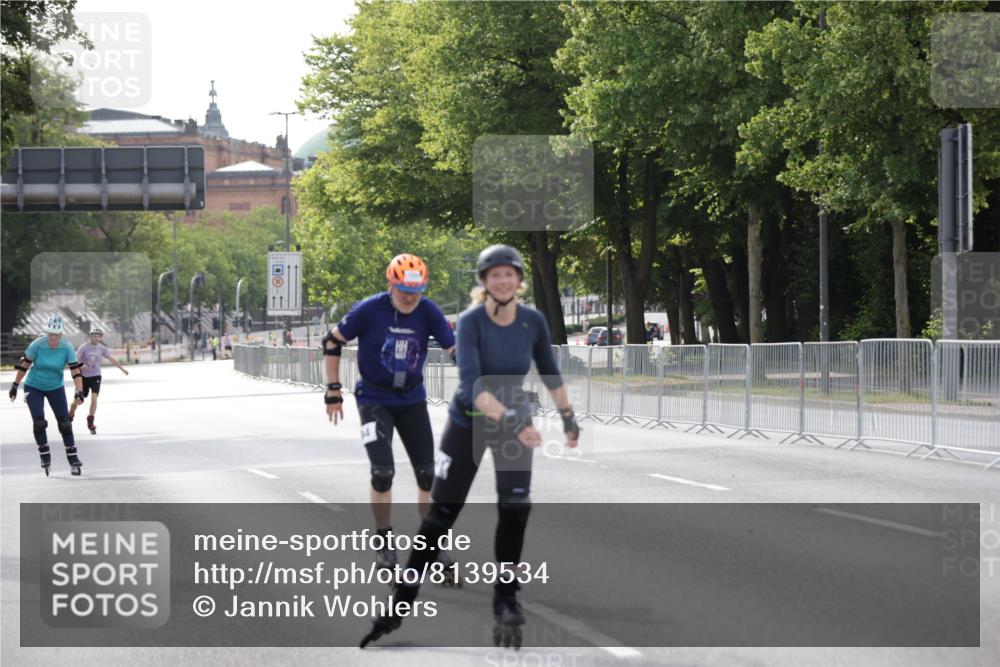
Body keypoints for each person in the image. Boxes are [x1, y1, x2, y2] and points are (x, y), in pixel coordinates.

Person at [361, 245, 581, 650]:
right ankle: (403, 599)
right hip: (469, 423)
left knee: (516, 507)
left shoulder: (532, 321)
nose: (502, 281)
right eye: (494, 275)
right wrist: (515, 421)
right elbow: (475, 385)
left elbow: (549, 369)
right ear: (484, 281)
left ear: (518, 279)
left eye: (508, 275)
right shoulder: (471, 322)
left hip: (513, 422)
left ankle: (505, 597)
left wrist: (567, 416)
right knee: (440, 515)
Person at [322, 253, 457, 575]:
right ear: (390, 284)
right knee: (382, 473)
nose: (411, 298)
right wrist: (333, 390)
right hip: (374, 400)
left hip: (411, 400)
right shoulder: (370, 309)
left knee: (427, 475)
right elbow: (332, 341)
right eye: (404, 291)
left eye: (417, 291)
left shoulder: (428, 311)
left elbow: (453, 349)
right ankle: (383, 540)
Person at [7, 314, 86, 476]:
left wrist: (79, 391)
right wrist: (15, 385)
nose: (53, 338)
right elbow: (24, 366)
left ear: (61, 334)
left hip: (55, 386)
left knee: (64, 422)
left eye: (56, 335)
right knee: (39, 422)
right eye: (50, 334)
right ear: (46, 332)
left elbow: (76, 371)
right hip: (34, 386)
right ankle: (44, 455)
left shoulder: (67, 347)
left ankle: (73, 458)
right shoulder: (37, 345)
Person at [69, 327, 129, 434]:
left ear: (101, 338)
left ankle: (90, 420)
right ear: (90, 336)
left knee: (94, 398)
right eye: (93, 336)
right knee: (78, 400)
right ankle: (71, 414)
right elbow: (74, 359)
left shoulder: (102, 348)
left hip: (96, 376)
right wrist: (81, 365)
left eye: (98, 336)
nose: (96, 338)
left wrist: (122, 369)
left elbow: (112, 359)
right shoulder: (84, 347)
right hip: (83, 377)